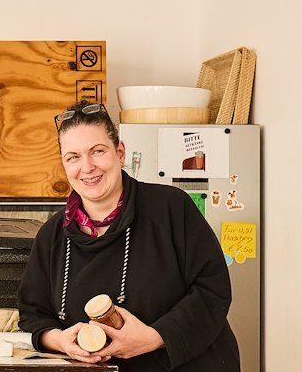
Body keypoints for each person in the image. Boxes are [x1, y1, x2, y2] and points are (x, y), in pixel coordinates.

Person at [17, 101, 240, 371]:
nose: (86, 167)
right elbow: (33, 315)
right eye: (73, 157)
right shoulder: (52, 235)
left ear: (120, 153)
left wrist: (154, 338)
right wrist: (60, 341)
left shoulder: (170, 207)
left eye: (97, 151)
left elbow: (212, 289)